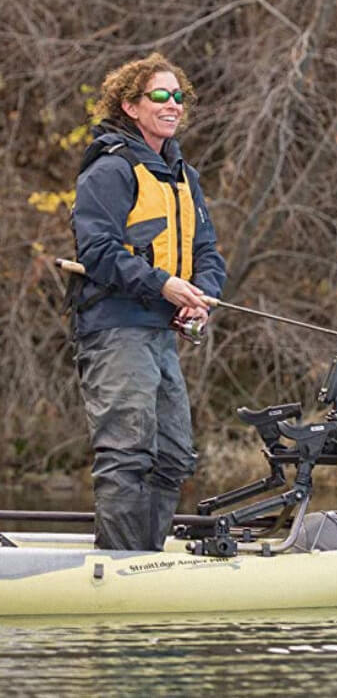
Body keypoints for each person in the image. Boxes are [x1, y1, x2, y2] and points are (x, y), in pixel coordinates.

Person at [69, 52, 227, 551]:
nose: (173, 103)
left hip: (161, 333)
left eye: (178, 95)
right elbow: (95, 250)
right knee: (127, 454)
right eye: (159, 95)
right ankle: (120, 565)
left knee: (175, 456)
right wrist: (162, 284)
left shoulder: (183, 174)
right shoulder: (110, 170)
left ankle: (146, 559)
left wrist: (202, 297)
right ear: (130, 106)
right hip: (116, 332)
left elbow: (207, 253)